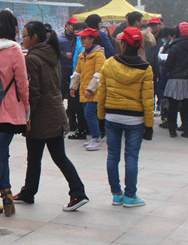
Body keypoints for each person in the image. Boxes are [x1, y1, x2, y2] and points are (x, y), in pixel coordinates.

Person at [14, 21, 89, 211]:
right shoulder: (52, 54)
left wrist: (28, 117)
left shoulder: (32, 58)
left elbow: (34, 92)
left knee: (49, 157)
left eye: (25, 35)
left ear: (34, 37)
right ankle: (29, 192)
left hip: (42, 116)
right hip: (55, 111)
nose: (23, 39)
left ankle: (78, 193)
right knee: (44, 156)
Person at [97, 27, 154, 207]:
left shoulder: (109, 63)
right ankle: (130, 196)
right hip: (135, 120)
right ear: (139, 46)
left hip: (112, 117)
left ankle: (116, 194)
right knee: (131, 157)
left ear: (123, 44)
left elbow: (102, 92)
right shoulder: (146, 68)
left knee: (112, 156)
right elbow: (148, 100)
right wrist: (149, 125)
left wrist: (100, 117)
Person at [0, 10, 30, 216]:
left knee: (1, 153)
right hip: (8, 111)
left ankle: (7, 196)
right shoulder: (14, 50)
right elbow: (22, 84)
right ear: (15, 27)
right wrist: (26, 107)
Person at [70, 27, 106, 151]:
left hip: (93, 92)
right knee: (88, 115)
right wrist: (73, 87)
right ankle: (94, 137)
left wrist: (90, 90)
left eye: (85, 38)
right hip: (84, 91)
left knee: (89, 114)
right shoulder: (82, 55)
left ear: (92, 39)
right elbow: (77, 73)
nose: (82, 40)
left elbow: (98, 74)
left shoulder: (99, 55)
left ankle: (96, 138)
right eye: (81, 38)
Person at [161, 22, 188, 138]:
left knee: (172, 106)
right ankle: (186, 129)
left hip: (174, 80)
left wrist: (161, 62)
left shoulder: (174, 46)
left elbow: (168, 64)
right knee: (186, 106)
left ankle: (172, 130)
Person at [59, 17, 77, 130]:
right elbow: (55, 51)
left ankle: (72, 121)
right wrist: (64, 54)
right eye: (72, 25)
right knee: (60, 94)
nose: (74, 28)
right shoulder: (59, 39)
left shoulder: (78, 39)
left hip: (74, 70)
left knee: (73, 97)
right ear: (67, 25)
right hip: (63, 69)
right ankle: (59, 120)